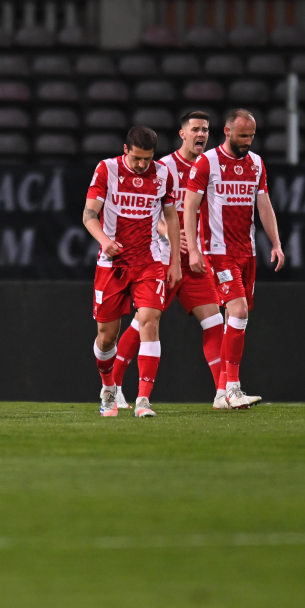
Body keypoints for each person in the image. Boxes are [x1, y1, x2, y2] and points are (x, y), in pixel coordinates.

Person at [109, 112, 228, 410]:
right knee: (142, 324)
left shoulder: (210, 167)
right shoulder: (164, 168)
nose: (201, 134)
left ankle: (223, 392)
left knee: (215, 322)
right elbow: (160, 213)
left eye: (205, 129)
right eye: (195, 129)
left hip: (196, 260)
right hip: (162, 258)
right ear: (182, 134)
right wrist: (169, 235)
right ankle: (115, 388)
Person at [183, 109, 283, 410]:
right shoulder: (207, 163)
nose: (248, 142)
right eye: (242, 136)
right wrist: (196, 250)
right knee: (237, 311)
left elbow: (263, 205)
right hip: (218, 253)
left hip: (247, 252)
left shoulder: (256, 164)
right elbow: (189, 208)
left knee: (236, 319)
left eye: (251, 136)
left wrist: (276, 242)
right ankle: (233, 388)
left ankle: (221, 393)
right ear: (226, 132)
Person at [83, 126, 181, 418]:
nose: (142, 165)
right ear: (126, 150)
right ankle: (108, 388)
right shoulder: (107, 170)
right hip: (112, 264)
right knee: (106, 338)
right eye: (137, 158)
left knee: (150, 320)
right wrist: (105, 242)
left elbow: (171, 218)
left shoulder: (163, 174)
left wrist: (174, 261)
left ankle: (143, 400)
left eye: (147, 159)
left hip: (149, 262)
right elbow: (89, 215)